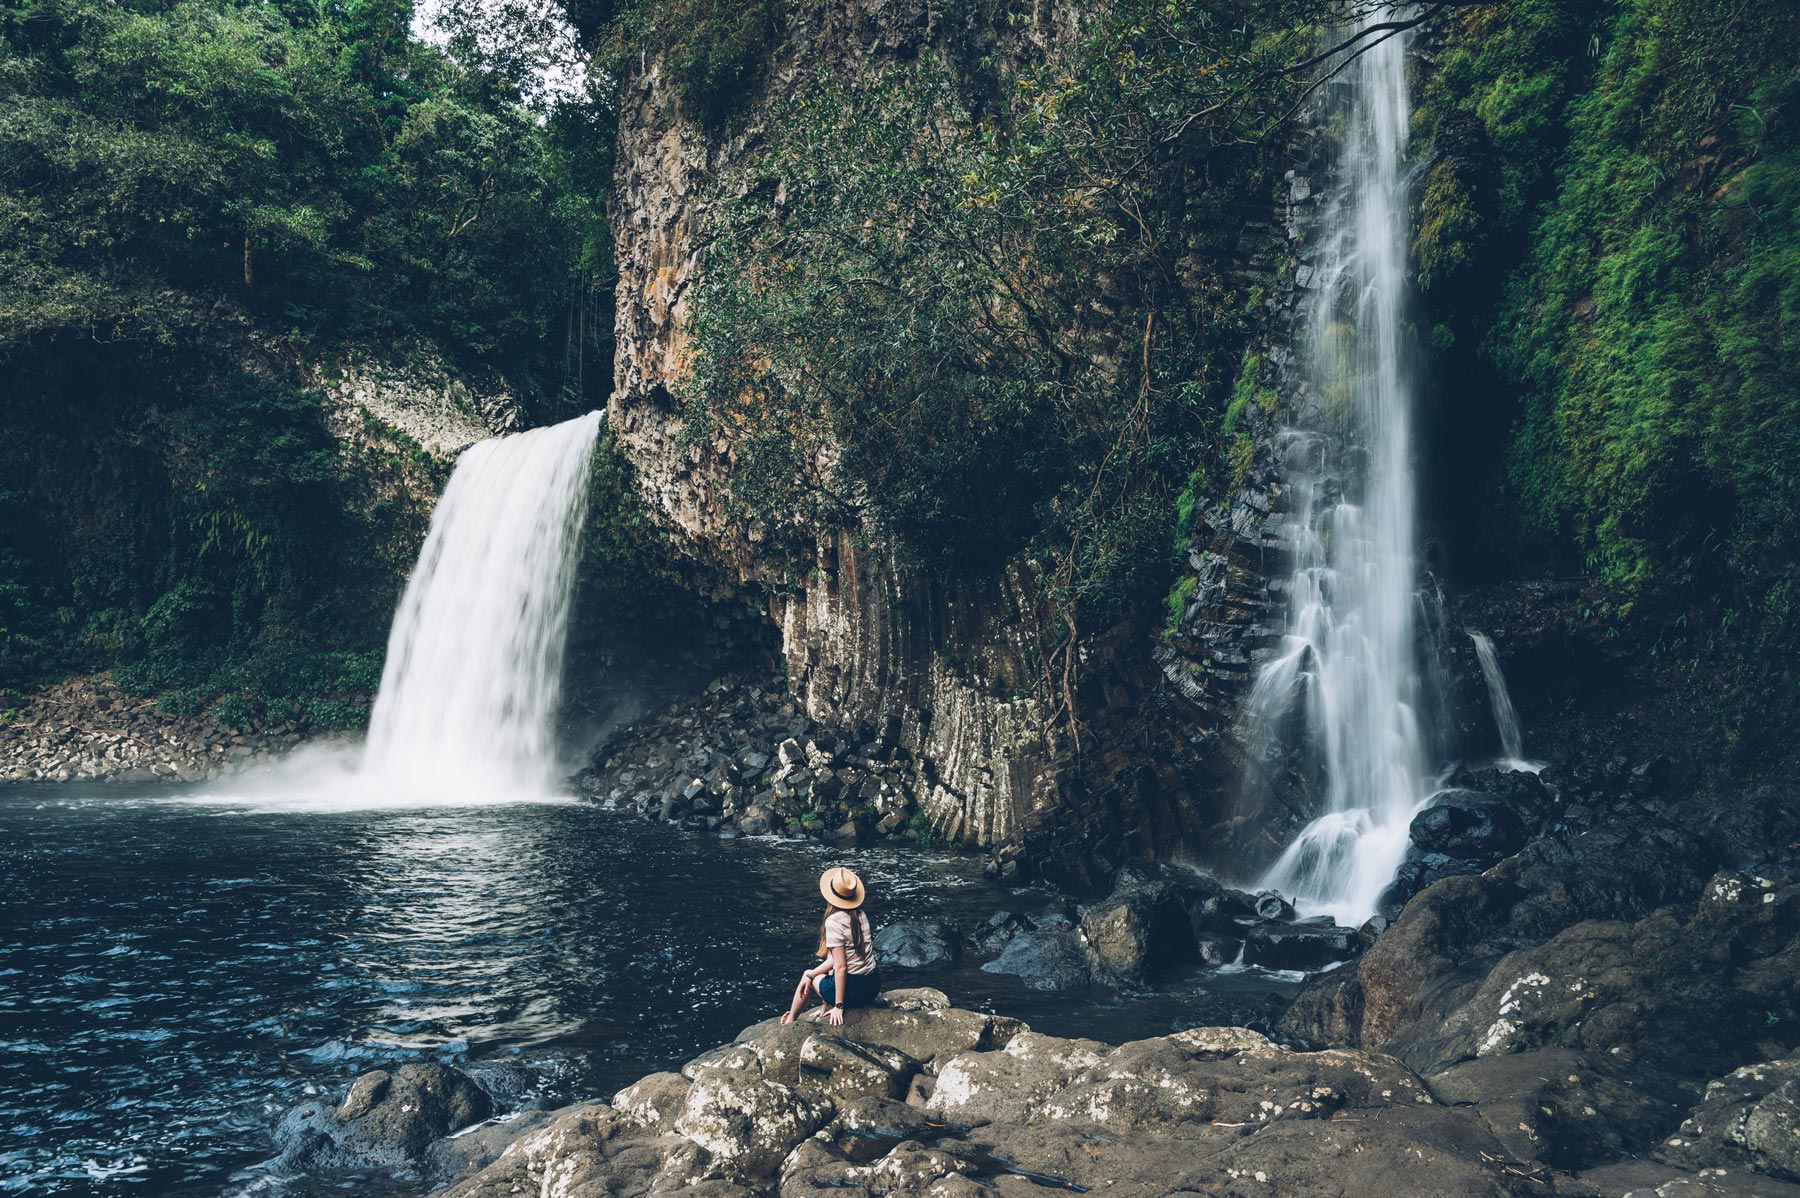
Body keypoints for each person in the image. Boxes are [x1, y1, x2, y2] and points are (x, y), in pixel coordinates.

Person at [782, 866, 881, 1026]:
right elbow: (835, 961)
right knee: (812, 974)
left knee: (807, 975)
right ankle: (824, 1004)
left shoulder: (834, 921)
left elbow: (840, 966)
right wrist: (812, 975)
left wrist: (838, 1005)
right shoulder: (861, 915)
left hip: (854, 992)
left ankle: (790, 1021)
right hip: (872, 986)